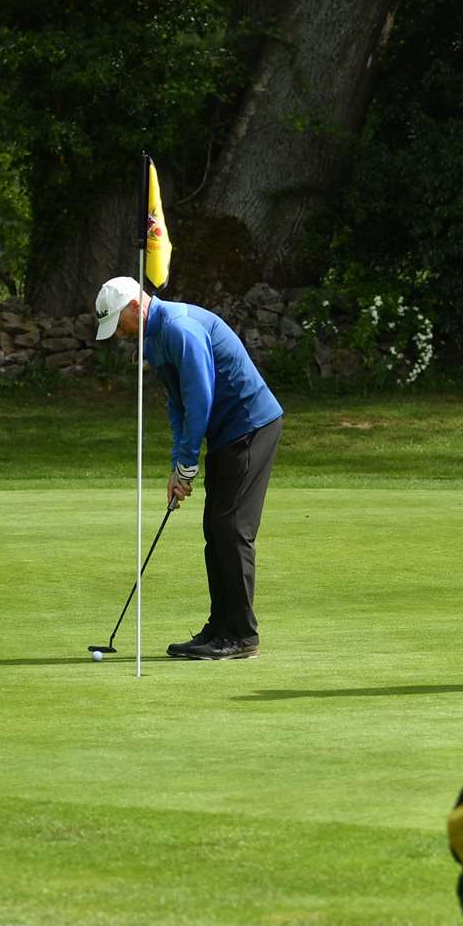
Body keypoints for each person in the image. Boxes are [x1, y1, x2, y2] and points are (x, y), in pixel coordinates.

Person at [94, 276, 284, 660]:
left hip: (250, 426)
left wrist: (188, 464)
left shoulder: (180, 328)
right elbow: (177, 404)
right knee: (215, 529)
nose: (120, 334)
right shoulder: (155, 339)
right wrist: (178, 464)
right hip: (226, 433)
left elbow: (201, 397)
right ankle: (221, 626)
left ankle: (243, 636)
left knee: (232, 530)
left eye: (120, 323)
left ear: (135, 307)